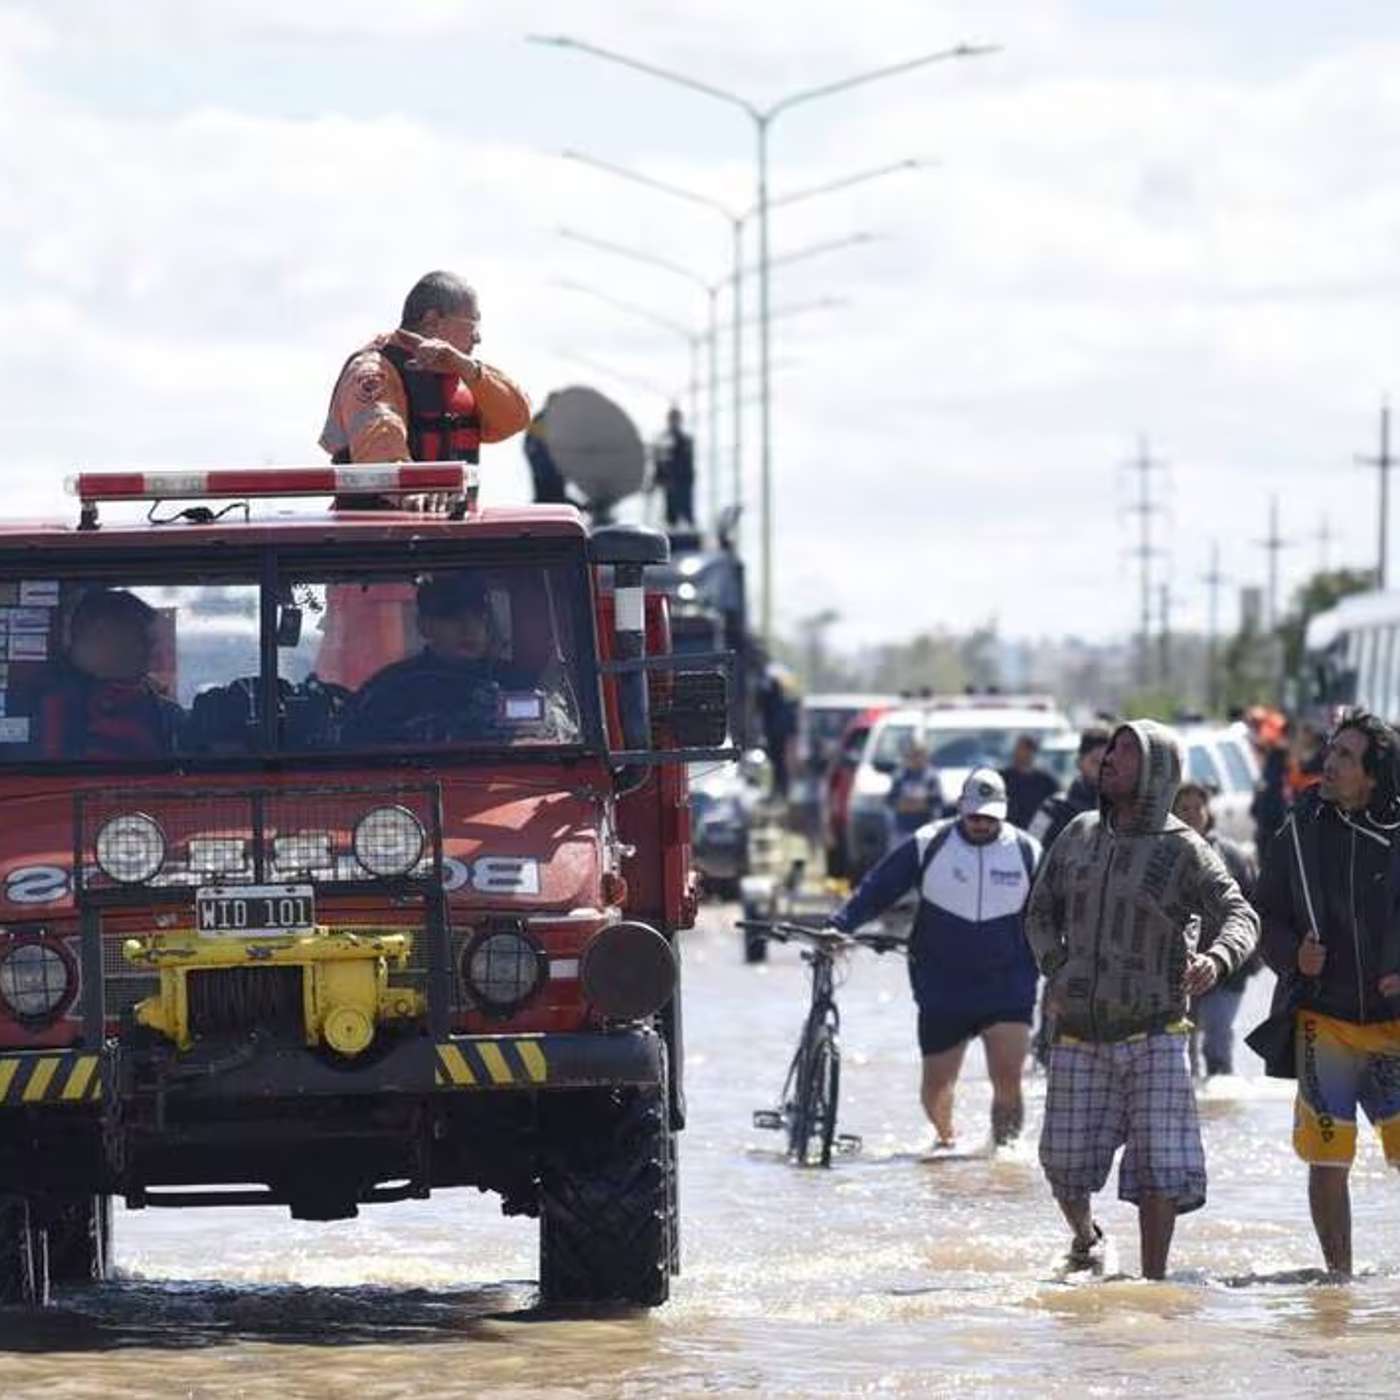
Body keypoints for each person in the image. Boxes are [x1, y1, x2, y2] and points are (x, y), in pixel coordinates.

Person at [1025, 720, 1259, 1279]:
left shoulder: (1183, 848)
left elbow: (1240, 914)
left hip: (1157, 1031)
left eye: (1127, 752)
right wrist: (1057, 968)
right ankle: (1087, 1238)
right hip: (1079, 1030)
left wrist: (1217, 959)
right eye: (1111, 748)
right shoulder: (1078, 833)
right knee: (1063, 1165)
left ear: (1157, 772)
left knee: (1160, 1167)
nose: (1110, 758)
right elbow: (1039, 911)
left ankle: (1153, 1284)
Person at [1252, 711, 1400, 1277]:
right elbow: (1264, 914)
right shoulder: (1300, 828)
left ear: (1373, 775)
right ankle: (1339, 1284)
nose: (1329, 764)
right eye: (1331, 751)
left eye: (1345, 757)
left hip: (1393, 1024)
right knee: (1327, 1159)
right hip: (1324, 1020)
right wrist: (1293, 955)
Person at [831, 768, 1041, 1149]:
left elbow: (1058, 912)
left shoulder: (1028, 851)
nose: (981, 824)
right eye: (974, 816)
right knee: (935, 1091)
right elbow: (878, 888)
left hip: (1007, 986)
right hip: (943, 987)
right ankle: (947, 1142)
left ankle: (1004, 1159)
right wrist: (841, 925)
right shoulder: (929, 843)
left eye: (990, 817)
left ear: (1005, 811)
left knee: (1009, 1082)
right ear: (960, 807)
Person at [319, 270, 530, 477]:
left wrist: (470, 369)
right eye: (472, 324)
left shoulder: (464, 375)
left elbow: (516, 419)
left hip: (451, 502)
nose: (477, 338)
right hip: (392, 501)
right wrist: (418, 490)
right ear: (432, 321)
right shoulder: (374, 371)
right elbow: (382, 451)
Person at [343, 573, 531, 744]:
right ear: (424, 626)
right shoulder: (390, 688)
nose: (469, 628)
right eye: (452, 618)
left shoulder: (514, 683)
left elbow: (536, 737)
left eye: (478, 617)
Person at [1171, 780, 1261, 1077]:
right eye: (1184, 808)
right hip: (1178, 973)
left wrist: (1250, 960)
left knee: (1218, 1044)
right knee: (1181, 1050)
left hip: (1226, 969)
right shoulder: (1161, 854)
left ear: (1208, 811)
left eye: (1198, 808)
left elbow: (1253, 908)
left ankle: (1222, 1097)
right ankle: (1191, 1101)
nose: (1192, 815)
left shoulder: (1232, 856)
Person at [30, 589, 182, 760]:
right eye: (142, 638)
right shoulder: (50, 702)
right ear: (102, 632)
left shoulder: (161, 706)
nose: (150, 650)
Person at [1027, 725, 1110, 850]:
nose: (1101, 769)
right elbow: (1031, 848)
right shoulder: (1053, 808)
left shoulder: (1120, 810)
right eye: (1095, 762)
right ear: (1079, 762)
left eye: (1107, 763)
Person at [885, 742, 944, 847]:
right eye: (912, 756)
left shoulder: (931, 776)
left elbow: (936, 801)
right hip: (902, 829)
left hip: (925, 829)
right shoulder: (900, 775)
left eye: (919, 755)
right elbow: (891, 800)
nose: (915, 759)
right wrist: (908, 804)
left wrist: (917, 805)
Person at [999, 734, 1059, 830]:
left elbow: (1055, 807)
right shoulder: (1002, 778)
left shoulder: (1046, 781)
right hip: (1007, 830)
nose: (1024, 753)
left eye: (1028, 749)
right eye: (1021, 748)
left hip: (1036, 831)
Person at [654, 407, 695, 528]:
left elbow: (686, 462)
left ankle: (685, 525)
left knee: (685, 509)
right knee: (671, 513)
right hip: (670, 482)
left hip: (682, 482)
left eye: (676, 419)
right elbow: (660, 461)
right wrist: (660, 477)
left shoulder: (685, 440)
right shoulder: (664, 439)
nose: (674, 422)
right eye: (672, 419)